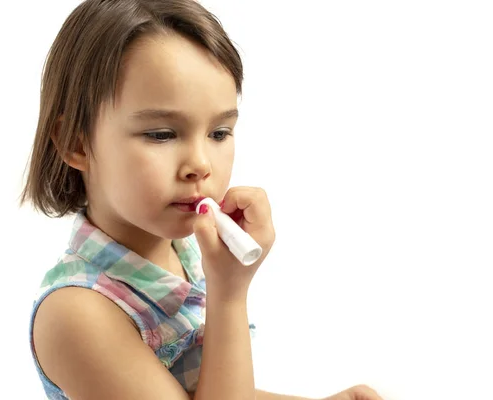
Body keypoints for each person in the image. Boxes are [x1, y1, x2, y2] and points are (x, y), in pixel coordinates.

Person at [20, 1, 385, 399]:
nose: (200, 164)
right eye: (161, 134)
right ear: (77, 142)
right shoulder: (78, 314)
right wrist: (229, 295)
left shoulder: (182, 252)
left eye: (219, 133)